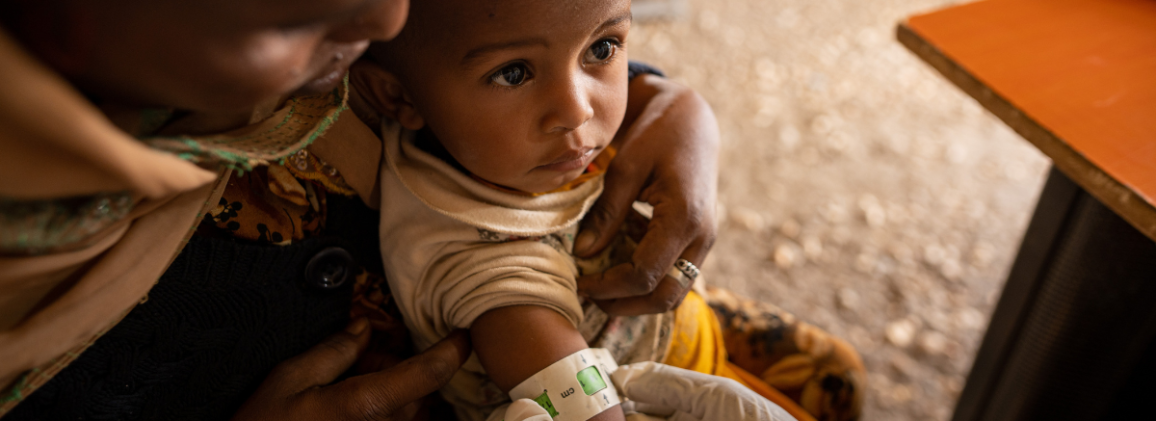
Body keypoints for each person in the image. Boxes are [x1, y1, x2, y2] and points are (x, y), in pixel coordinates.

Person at [0, 0, 773, 420]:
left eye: (601, 50)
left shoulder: (358, 59)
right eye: (288, 13)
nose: (385, 20)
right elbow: (532, 329)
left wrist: (661, 97)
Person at [354, 0, 864, 420]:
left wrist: (684, 108)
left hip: (684, 346)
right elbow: (586, 404)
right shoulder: (484, 268)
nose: (578, 108)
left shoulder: (505, 149)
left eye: (602, 47)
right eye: (513, 73)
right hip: (669, 394)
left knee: (841, 373)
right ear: (396, 96)